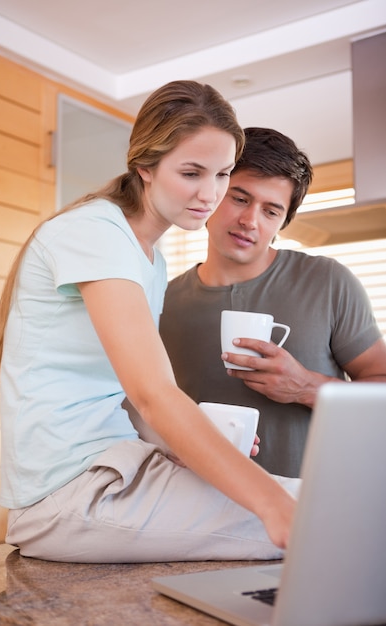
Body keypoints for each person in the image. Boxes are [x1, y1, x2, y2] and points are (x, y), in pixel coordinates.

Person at [0, 82, 300, 564]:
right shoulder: (95, 232)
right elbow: (153, 394)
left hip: (116, 466)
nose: (210, 194)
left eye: (221, 174)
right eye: (191, 172)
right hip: (68, 493)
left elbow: (128, 398)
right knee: (328, 518)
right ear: (145, 166)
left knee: (333, 499)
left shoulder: (147, 258)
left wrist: (205, 441)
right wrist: (271, 504)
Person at [160, 127, 386, 478]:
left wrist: (307, 387)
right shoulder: (163, 301)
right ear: (213, 192)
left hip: (311, 505)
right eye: (239, 198)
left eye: (271, 211)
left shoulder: (327, 282)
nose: (250, 221)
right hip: (197, 508)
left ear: (283, 221)